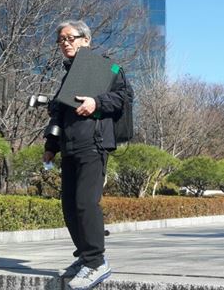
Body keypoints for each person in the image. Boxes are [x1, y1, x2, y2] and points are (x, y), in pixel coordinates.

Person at [43, 20, 133, 290]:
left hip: (94, 145)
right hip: (69, 147)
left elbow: (125, 96)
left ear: (86, 40)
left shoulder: (107, 67)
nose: (65, 43)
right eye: (61, 40)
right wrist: (50, 145)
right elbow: (59, 113)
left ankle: (96, 262)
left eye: (71, 37)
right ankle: (84, 257)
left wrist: (97, 102)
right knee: (69, 207)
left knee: (85, 203)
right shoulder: (69, 75)